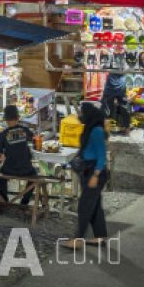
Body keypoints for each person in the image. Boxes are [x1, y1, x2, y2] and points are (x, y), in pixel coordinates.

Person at [62, 102, 109, 249]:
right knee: (94, 207)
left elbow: (102, 156)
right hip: (90, 170)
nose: (79, 116)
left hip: (94, 172)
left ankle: (77, 240)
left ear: (88, 115)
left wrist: (95, 175)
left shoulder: (96, 131)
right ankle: (99, 237)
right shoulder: (91, 129)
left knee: (84, 206)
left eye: (81, 113)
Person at [0, 105, 37, 206]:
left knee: (1, 176)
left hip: (9, 169)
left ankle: (4, 199)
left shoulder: (2, 135)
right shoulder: (25, 130)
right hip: (25, 169)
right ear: (18, 117)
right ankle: (24, 201)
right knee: (34, 174)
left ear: (5, 119)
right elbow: (34, 139)